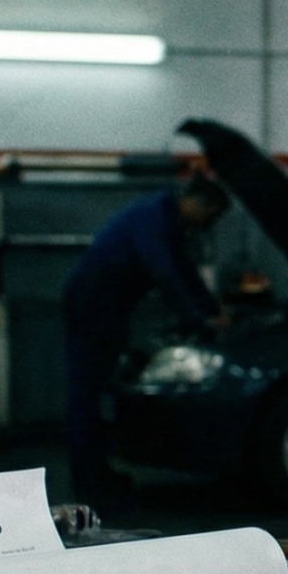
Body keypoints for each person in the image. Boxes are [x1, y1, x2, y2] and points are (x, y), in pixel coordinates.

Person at [61, 175, 230, 501]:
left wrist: (213, 309)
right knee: (86, 394)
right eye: (211, 216)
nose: (210, 225)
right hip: (92, 304)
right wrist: (201, 320)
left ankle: (98, 471)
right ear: (196, 203)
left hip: (109, 306)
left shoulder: (171, 220)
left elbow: (185, 271)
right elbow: (165, 273)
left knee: (99, 391)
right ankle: (87, 483)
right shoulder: (153, 217)